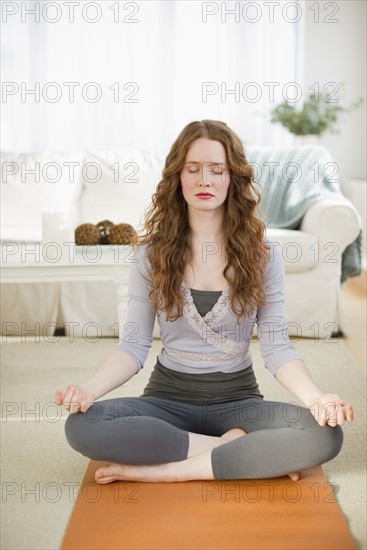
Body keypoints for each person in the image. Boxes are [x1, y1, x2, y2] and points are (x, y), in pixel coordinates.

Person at [55, 120, 354, 484]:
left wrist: (316, 399)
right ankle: (233, 451)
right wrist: (88, 389)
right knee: (83, 427)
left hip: (239, 402)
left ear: (233, 179)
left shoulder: (264, 256)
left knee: (324, 433)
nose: (205, 180)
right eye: (193, 169)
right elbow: (133, 346)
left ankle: (170, 473)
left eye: (217, 170)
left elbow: (277, 347)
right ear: (177, 178)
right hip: (166, 400)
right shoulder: (150, 255)